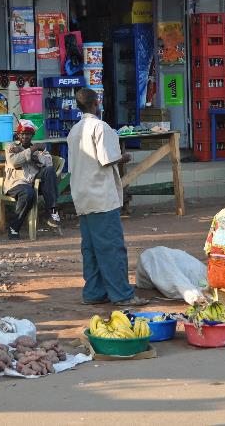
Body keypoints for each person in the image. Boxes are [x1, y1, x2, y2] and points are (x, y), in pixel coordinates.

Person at [67, 88, 147, 307]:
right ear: (96, 104)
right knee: (112, 248)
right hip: (101, 196)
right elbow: (107, 158)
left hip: (82, 196)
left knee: (91, 248)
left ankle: (93, 292)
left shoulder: (74, 130)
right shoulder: (101, 127)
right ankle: (122, 294)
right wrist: (125, 157)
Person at [3, 119, 60, 239]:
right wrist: (32, 150)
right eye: (22, 134)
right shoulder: (11, 147)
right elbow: (14, 162)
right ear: (18, 135)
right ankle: (14, 228)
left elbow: (48, 163)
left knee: (49, 171)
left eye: (28, 134)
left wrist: (26, 152)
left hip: (35, 182)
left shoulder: (39, 148)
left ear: (32, 135)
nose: (24, 136)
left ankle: (53, 214)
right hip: (16, 183)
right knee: (28, 193)